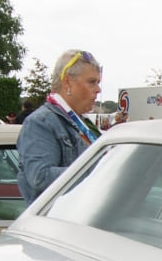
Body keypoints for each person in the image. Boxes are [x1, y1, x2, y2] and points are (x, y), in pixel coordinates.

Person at [16, 49, 103, 203]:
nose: (98, 89)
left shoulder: (82, 123)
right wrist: (102, 172)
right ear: (67, 82)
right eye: (91, 82)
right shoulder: (40, 123)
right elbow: (40, 177)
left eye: (98, 82)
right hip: (54, 224)